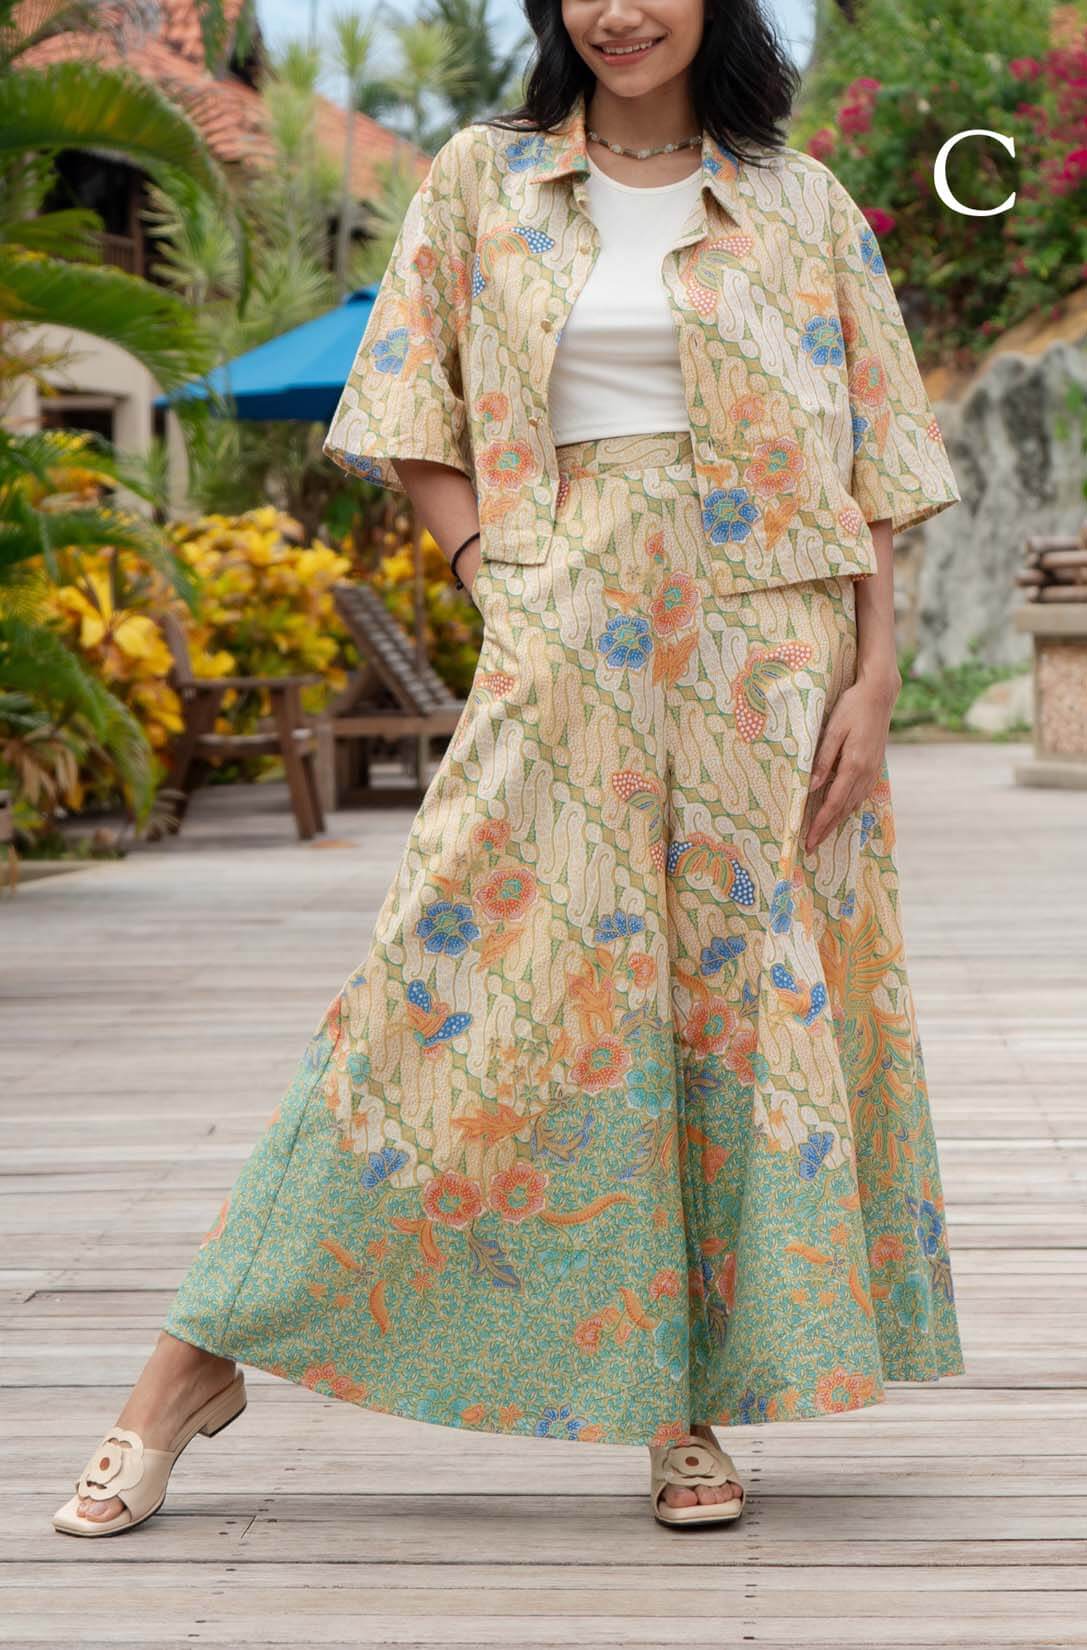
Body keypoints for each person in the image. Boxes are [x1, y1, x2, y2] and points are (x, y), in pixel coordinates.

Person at [54, 0, 966, 1538]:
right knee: (438, 988)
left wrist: (875, 675)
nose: (618, 11)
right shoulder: (483, 181)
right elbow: (410, 401)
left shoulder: (802, 202)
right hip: (566, 628)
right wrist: (495, 574)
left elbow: (873, 456)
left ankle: (682, 1406)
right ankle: (188, 1361)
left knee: (718, 1012)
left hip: (769, 656)